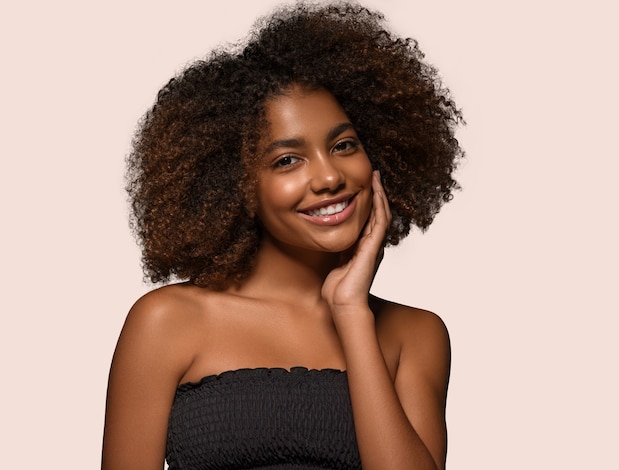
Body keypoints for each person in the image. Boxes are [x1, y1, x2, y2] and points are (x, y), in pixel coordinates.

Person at [102, 2, 463, 469]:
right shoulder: (168, 321)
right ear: (234, 184)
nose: (329, 176)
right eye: (287, 160)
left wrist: (351, 311)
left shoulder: (415, 335)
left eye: (344, 145)